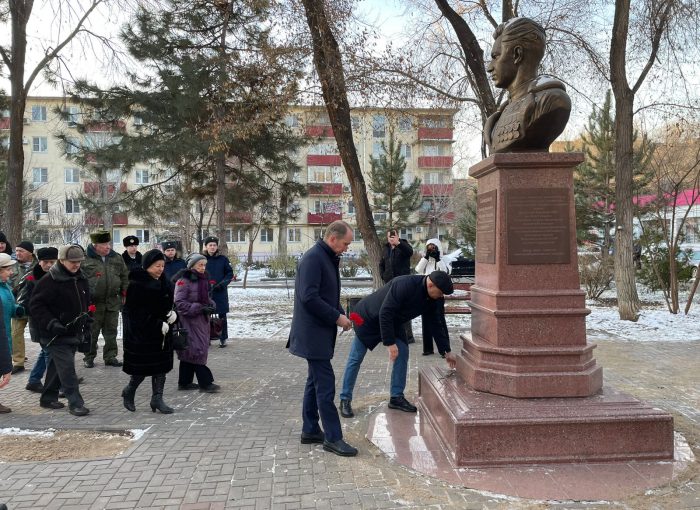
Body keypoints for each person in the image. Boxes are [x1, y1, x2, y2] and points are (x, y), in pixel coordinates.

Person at [338, 271, 456, 419]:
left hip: (394, 322)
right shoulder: (404, 284)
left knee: (403, 353)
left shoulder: (435, 298)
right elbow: (385, 312)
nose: (441, 297)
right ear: (431, 284)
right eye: (440, 293)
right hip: (367, 318)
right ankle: (345, 399)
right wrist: (390, 343)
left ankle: (396, 397)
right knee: (356, 358)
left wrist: (446, 350)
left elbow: (436, 323)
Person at [287, 220, 358, 457]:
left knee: (313, 382)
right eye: (345, 243)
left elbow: (327, 294)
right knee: (325, 386)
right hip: (312, 334)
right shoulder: (313, 259)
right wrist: (336, 318)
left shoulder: (325, 257)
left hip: (318, 333)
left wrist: (339, 313)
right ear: (332, 238)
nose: (347, 248)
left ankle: (310, 430)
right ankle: (333, 437)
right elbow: (309, 297)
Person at [483, 17, 571, 154]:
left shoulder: (552, 101)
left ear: (517, 54)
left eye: (496, 56)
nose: (489, 67)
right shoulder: (498, 118)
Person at [30, 245, 91, 416]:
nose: (76, 265)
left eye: (79, 261)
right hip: (54, 333)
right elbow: (36, 306)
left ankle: (48, 398)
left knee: (57, 367)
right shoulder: (49, 281)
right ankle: (75, 403)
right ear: (62, 260)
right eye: (73, 262)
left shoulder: (81, 277)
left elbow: (85, 299)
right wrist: (51, 323)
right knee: (67, 369)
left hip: (73, 330)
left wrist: (87, 316)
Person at [121, 249, 177, 413]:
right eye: (156, 266)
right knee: (142, 368)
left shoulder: (165, 282)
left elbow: (170, 305)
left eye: (162, 265)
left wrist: (175, 314)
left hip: (162, 334)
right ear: (147, 266)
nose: (160, 269)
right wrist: (156, 323)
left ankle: (157, 399)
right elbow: (134, 313)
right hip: (143, 334)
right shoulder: (137, 285)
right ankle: (129, 391)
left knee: (160, 368)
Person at [81, 230, 129, 368]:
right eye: (104, 244)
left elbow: (124, 276)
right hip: (93, 303)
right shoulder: (85, 259)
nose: (108, 247)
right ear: (95, 245)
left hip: (112, 301)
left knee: (111, 331)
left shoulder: (117, 258)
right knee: (92, 331)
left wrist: (124, 293)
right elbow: (80, 280)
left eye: (109, 243)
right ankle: (89, 357)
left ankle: (110, 356)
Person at [173, 253, 220, 393]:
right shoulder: (183, 281)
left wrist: (211, 305)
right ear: (192, 265)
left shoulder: (202, 279)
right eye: (200, 265)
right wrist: (199, 308)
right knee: (198, 349)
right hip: (188, 321)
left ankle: (185, 382)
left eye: (204, 265)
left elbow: (206, 298)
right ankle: (205, 383)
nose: (203, 267)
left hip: (201, 321)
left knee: (189, 351)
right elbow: (179, 303)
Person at [15, 247, 58, 393]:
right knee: (50, 354)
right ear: (39, 261)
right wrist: (39, 312)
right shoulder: (31, 278)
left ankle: (34, 380)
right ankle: (56, 386)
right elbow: (22, 302)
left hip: (53, 322)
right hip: (39, 323)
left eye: (52, 261)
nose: (49, 265)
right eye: (46, 262)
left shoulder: (57, 275)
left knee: (46, 352)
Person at [378, 229, 415, 343]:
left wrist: (398, 243)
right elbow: (382, 263)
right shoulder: (386, 248)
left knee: (404, 309)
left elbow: (410, 252)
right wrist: (383, 275)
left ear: (398, 236)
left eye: (393, 236)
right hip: (389, 283)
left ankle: (408, 336)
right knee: (389, 308)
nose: (391, 238)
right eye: (389, 236)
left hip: (403, 283)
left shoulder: (404, 245)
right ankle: (392, 334)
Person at [415, 239, 450, 357]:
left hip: (438, 293)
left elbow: (445, 272)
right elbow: (418, 269)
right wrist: (426, 257)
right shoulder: (426, 259)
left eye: (433, 247)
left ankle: (445, 349)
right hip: (426, 293)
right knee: (426, 321)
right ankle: (428, 348)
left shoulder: (443, 259)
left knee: (440, 321)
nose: (432, 250)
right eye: (429, 248)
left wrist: (438, 259)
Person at [9, 240, 37, 373]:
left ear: (30, 253)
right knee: (16, 334)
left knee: (41, 333)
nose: (18, 253)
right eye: (17, 250)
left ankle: (49, 359)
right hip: (18, 306)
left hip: (36, 306)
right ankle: (18, 362)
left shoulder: (40, 265)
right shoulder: (12, 266)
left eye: (21, 251)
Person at [202, 236, 233, 347]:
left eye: (214, 245)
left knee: (222, 315)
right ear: (206, 246)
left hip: (220, 291)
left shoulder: (223, 259)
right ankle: (206, 338)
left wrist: (222, 284)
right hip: (205, 292)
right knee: (205, 315)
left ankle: (223, 338)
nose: (212, 247)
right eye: (210, 245)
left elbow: (229, 274)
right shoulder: (201, 259)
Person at [0, 253, 18, 414]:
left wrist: (19, 309)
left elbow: (10, 308)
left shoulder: (5, 286)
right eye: (7, 269)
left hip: (5, 332)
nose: (11, 272)